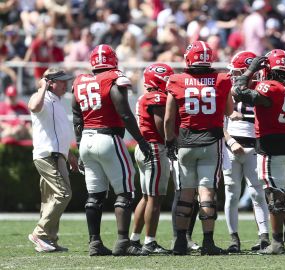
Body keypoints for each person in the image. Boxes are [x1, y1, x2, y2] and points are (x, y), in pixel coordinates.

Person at [72, 44, 153, 256]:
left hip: (87, 140)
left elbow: (76, 116)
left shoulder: (79, 81)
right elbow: (124, 114)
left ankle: (95, 243)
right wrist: (141, 141)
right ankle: (123, 241)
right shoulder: (114, 77)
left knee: (95, 195)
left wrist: (80, 144)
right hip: (108, 138)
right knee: (125, 192)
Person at [233, 49, 285, 254]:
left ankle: (276, 243)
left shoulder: (270, 87)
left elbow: (237, 91)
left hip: (270, 145)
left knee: (274, 195)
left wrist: (250, 71)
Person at [164, 40, 233, 255]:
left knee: (185, 194)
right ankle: (208, 242)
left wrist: (169, 141)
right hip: (211, 142)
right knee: (207, 193)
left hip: (185, 142)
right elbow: (229, 111)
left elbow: (168, 119)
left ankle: (180, 243)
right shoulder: (221, 79)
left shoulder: (176, 80)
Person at [223, 51, 270, 253]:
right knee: (232, 195)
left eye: (237, 72)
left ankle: (265, 237)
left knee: (257, 193)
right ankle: (234, 239)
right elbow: (218, 121)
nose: (233, 75)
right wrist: (230, 140)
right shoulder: (228, 90)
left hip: (255, 147)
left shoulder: (263, 89)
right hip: (232, 146)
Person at [27, 68, 78, 252]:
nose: (66, 84)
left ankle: (50, 240)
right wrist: (42, 87)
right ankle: (39, 233)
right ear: (50, 82)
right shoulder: (40, 97)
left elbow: (60, 134)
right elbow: (33, 107)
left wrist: (69, 155)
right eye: (61, 81)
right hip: (46, 156)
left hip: (58, 156)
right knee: (64, 194)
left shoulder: (58, 102)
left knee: (50, 199)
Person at [129, 63, 174, 254]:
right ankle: (150, 242)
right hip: (155, 148)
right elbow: (160, 124)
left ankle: (134, 239)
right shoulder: (157, 97)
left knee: (147, 197)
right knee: (155, 199)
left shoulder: (144, 96)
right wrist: (172, 141)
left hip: (143, 148)